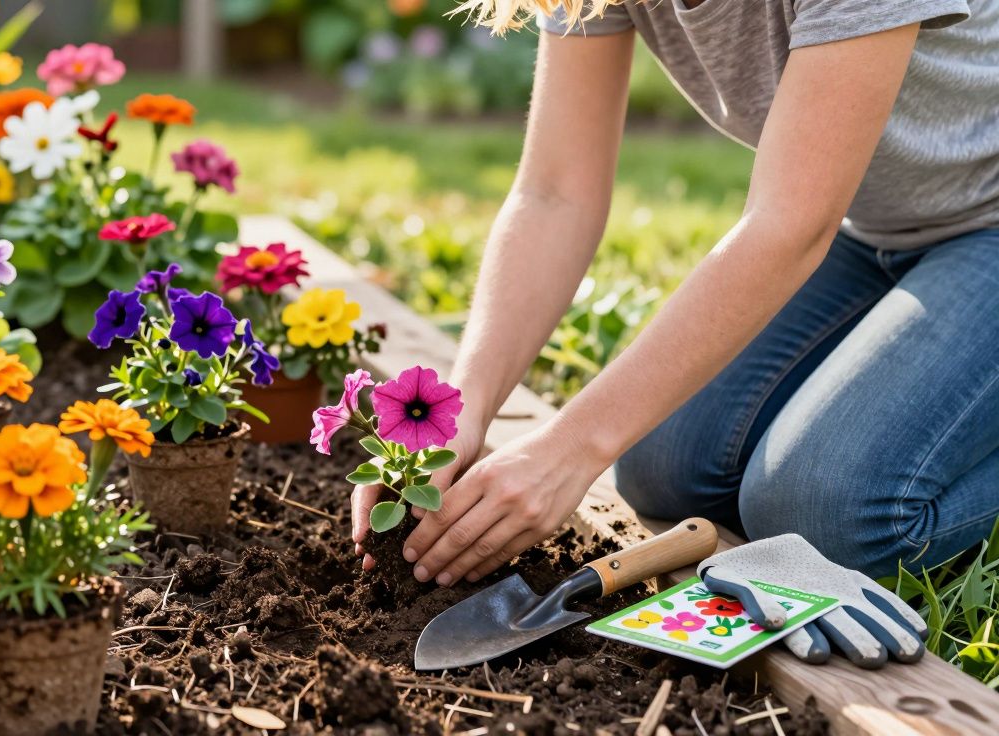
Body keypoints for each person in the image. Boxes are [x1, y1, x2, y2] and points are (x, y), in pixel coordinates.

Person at [352, 0, 999, 593]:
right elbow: (554, 193)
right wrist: (457, 409)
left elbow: (789, 226)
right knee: (665, 465)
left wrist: (568, 449)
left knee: (824, 513)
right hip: (869, 226)